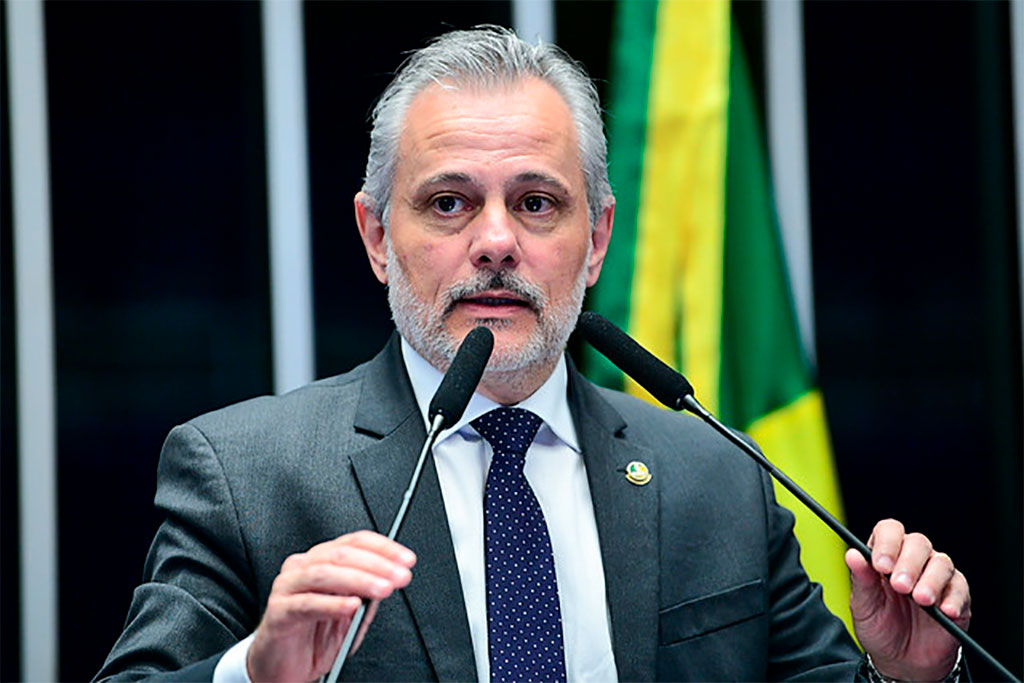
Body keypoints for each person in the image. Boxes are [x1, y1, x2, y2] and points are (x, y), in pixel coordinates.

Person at [97, 26, 970, 682]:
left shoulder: (715, 474)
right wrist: (251, 670)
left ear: (597, 241)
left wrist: (913, 674)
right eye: (447, 203)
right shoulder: (246, 474)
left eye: (538, 203)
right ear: (373, 236)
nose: (496, 242)